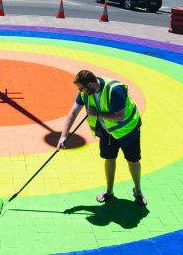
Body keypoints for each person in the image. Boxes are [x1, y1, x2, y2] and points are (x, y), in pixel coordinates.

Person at [57, 70, 146, 206]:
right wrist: (63, 136)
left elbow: (120, 116)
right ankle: (109, 191)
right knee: (109, 159)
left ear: (91, 84)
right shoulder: (85, 93)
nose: (81, 91)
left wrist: (97, 114)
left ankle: (138, 191)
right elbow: (73, 113)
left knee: (133, 161)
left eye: (82, 88)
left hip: (128, 130)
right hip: (107, 131)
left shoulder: (114, 90)